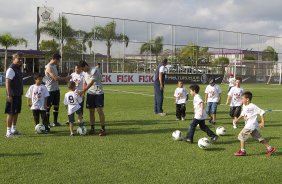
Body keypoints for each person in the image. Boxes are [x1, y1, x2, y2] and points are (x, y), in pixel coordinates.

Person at [233, 91, 276, 156]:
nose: (241, 100)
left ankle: (242, 151)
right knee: (259, 138)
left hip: (251, 125)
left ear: (247, 99)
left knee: (241, 135)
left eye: (242, 98)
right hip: (251, 125)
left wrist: (262, 122)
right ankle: (270, 148)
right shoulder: (244, 105)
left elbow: (262, 112)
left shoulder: (253, 106)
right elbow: (243, 113)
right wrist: (237, 119)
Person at [79, 61, 106, 136]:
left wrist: (82, 91)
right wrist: (84, 93)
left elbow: (91, 83)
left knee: (99, 110)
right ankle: (92, 129)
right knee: (91, 111)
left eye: (83, 69)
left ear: (86, 65)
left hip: (98, 93)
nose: (83, 70)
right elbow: (85, 83)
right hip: (90, 93)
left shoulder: (94, 71)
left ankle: (103, 129)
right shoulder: (84, 73)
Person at [44, 53, 70, 127]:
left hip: (56, 89)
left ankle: (55, 122)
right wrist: (65, 79)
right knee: (48, 107)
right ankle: (47, 123)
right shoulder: (48, 67)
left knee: (56, 106)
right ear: (55, 59)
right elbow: (55, 78)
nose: (58, 62)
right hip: (49, 90)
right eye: (58, 60)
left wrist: (63, 78)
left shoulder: (54, 66)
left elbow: (57, 76)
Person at [5, 52, 24, 138]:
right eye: (19, 58)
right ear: (13, 59)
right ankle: (8, 132)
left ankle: (13, 129)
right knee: (10, 113)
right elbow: (7, 82)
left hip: (18, 95)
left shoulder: (18, 69)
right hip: (12, 95)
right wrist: (9, 95)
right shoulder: (11, 69)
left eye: (21, 59)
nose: (20, 60)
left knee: (16, 112)